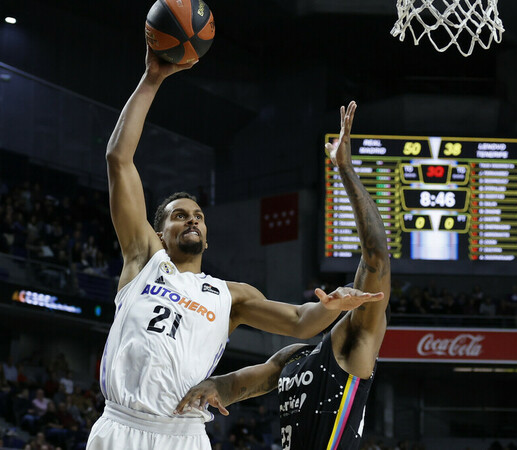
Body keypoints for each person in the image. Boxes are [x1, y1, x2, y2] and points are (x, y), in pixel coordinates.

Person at [88, 51, 383, 450]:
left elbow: (300, 321)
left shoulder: (231, 295)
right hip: (120, 426)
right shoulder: (144, 261)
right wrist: (152, 78)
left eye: (198, 215)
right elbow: (118, 160)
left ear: (207, 238)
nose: (191, 219)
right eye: (178, 216)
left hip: (182, 434)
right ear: (158, 233)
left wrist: (332, 306)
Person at [177, 102, 391, 450]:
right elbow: (239, 385)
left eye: (361, 287)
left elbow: (376, 255)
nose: (354, 289)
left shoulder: (356, 346)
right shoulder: (294, 357)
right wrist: (213, 385)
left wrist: (346, 170)